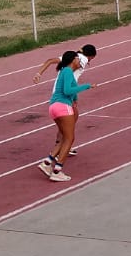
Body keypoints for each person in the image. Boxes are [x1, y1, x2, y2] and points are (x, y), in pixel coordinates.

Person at [33, 43, 98, 162]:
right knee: (70, 122)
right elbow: (71, 83)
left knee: (69, 120)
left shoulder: (70, 57)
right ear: (89, 56)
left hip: (57, 94)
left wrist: (39, 73)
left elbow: (50, 60)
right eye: (90, 60)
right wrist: (86, 87)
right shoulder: (80, 60)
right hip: (65, 95)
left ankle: (61, 145)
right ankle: (60, 150)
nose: (85, 63)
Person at [37, 50, 91, 182]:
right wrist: (87, 86)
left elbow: (70, 90)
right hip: (62, 107)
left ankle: (47, 163)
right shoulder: (67, 71)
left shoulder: (65, 72)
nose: (80, 61)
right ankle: (57, 170)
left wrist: (75, 98)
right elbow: (67, 90)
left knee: (63, 137)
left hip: (54, 106)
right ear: (72, 60)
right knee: (69, 139)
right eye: (78, 59)